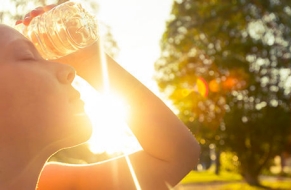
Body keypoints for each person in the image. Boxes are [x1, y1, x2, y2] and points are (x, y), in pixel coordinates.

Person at [0, 4, 200, 190]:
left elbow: (177, 154)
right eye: (27, 56)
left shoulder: (51, 184)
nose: (69, 70)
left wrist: (91, 61)